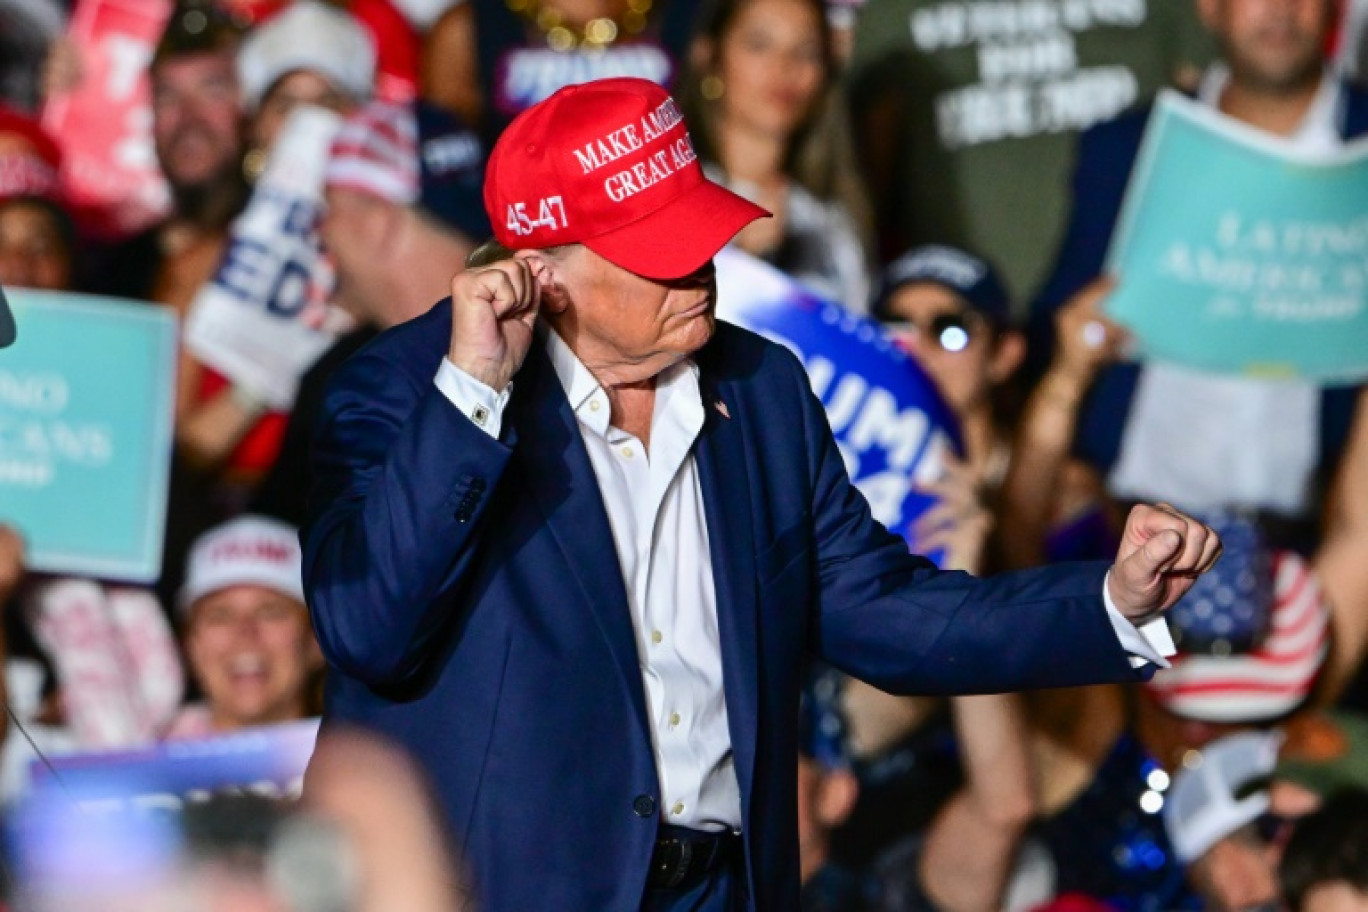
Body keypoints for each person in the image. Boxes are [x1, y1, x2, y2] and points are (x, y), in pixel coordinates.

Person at [302, 76, 1220, 911]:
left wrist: (1111, 602)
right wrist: (473, 399)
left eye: (698, 229)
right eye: (661, 250)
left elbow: (883, 611)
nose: (700, 265)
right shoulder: (407, 391)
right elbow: (367, 629)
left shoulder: (760, 389)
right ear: (540, 273)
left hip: (721, 890)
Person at [845, 0, 1212, 306]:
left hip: (1130, 296)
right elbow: (864, 172)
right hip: (969, 311)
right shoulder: (895, 9)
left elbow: (1218, 113)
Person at [676, 0, 873, 312]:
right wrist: (742, 265)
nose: (784, 67)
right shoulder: (666, 203)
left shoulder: (832, 221)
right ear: (709, 56)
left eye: (806, 51)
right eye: (759, 45)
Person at [165, 515, 323, 739]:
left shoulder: (371, 762)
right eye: (220, 615)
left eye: (270, 612)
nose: (245, 634)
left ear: (317, 640)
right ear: (191, 644)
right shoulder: (131, 759)